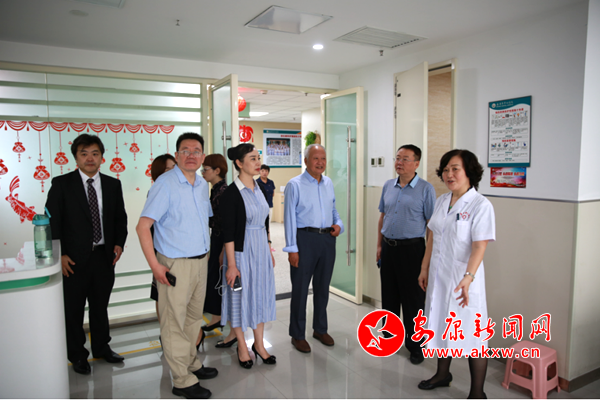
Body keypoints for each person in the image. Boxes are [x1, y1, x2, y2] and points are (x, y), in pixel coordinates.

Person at [136, 133, 217, 399]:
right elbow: (143, 227)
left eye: (196, 150)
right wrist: (155, 266)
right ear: (177, 155)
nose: (191, 155)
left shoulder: (201, 184)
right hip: (174, 265)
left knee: (193, 319)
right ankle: (182, 380)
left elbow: (201, 221)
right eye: (185, 150)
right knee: (173, 323)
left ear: (202, 156)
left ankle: (191, 363)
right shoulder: (165, 184)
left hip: (200, 261)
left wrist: (206, 254)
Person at [45, 133, 128, 375]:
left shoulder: (113, 185)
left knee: (100, 307)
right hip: (72, 259)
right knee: (73, 310)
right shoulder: (62, 184)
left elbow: (120, 219)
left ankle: (102, 348)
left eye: (95, 153)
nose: (90, 158)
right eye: (84, 154)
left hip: (103, 257)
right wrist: (59, 255)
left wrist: (119, 244)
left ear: (102, 157)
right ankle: (77, 355)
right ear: (76, 157)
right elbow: (52, 222)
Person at [417, 149, 495, 399]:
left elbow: (479, 246)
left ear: (469, 172)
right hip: (439, 278)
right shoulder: (442, 201)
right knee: (442, 324)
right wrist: (424, 268)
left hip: (465, 281)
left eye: (455, 169)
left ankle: (477, 392)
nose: (449, 174)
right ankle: (442, 374)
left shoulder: (481, 205)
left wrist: (468, 277)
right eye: (445, 170)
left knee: (473, 334)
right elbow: (432, 236)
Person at [376, 144, 435, 364]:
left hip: (413, 250)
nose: (399, 163)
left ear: (416, 163)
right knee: (389, 297)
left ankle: (416, 346)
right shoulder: (388, 186)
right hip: (388, 249)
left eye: (405, 159)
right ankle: (390, 339)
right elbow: (383, 217)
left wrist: (426, 263)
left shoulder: (426, 189)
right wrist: (379, 246)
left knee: (413, 301)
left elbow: (431, 227)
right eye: (397, 158)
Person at [220, 143, 276, 369]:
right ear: (239, 163)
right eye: (252, 158)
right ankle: (242, 346)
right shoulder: (230, 194)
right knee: (238, 297)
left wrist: (269, 248)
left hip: (260, 250)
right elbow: (228, 233)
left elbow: (265, 221)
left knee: (259, 295)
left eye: (258, 158)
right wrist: (232, 265)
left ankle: (259, 345)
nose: (257, 162)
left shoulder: (259, 187)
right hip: (240, 254)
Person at [283, 144, 343, 353]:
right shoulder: (295, 185)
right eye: (316, 158)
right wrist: (292, 249)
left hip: (327, 240)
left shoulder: (328, 183)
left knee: (322, 287)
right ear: (306, 160)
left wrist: (339, 225)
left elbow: (333, 209)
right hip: (304, 240)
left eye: (323, 158)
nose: (320, 162)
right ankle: (297, 334)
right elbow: (289, 218)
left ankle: (320, 329)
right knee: (300, 289)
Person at [199, 154, 228, 338]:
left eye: (206, 169)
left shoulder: (223, 191)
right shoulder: (215, 189)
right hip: (216, 238)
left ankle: (221, 317)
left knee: (218, 278)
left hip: (223, 240)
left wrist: (224, 249)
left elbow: (227, 224)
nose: (203, 173)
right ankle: (217, 316)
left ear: (217, 171)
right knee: (214, 277)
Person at [148, 154, 176, 324]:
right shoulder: (157, 191)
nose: (173, 171)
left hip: (178, 252)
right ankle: (164, 331)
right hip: (162, 250)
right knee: (161, 292)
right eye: (168, 169)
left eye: (175, 167)